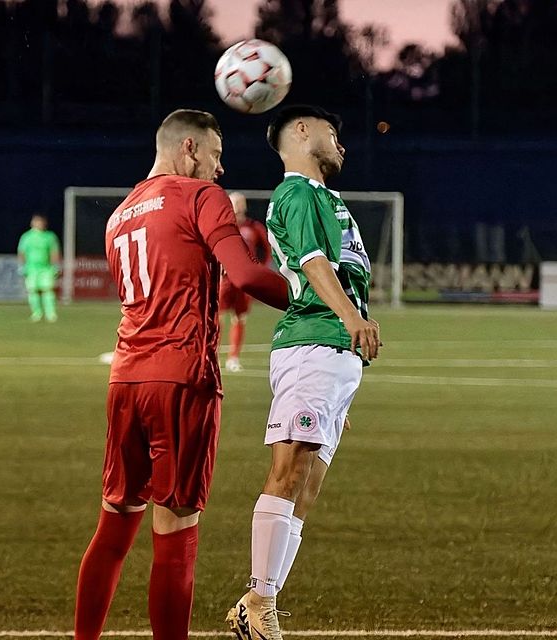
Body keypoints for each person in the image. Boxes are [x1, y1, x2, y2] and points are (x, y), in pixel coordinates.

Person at [74, 109, 290, 640]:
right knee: (175, 530)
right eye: (215, 156)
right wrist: (320, 300)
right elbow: (243, 274)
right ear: (190, 148)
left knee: (114, 523)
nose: (219, 171)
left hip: (126, 378)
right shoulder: (200, 196)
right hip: (182, 378)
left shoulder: (120, 213)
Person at [225, 105, 380, 640]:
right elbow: (312, 263)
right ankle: (258, 600)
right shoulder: (296, 194)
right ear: (301, 131)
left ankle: (265, 601)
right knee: (288, 471)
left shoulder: (327, 198)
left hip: (334, 356)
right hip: (313, 341)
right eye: (333, 134)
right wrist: (351, 318)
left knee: (307, 486)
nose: (342, 145)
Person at [220, 191, 272, 373]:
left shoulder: (253, 227)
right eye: (235, 203)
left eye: (241, 203)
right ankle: (211, 354)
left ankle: (233, 358)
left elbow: (267, 249)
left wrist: (259, 269)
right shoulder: (222, 225)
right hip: (225, 279)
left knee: (240, 317)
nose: (238, 206)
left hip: (245, 281)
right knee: (217, 318)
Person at [17, 213, 61, 322]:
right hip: (31, 268)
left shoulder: (49, 236)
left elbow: (54, 252)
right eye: (36, 222)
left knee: (48, 290)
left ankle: (51, 314)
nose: (38, 224)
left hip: (46, 268)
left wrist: (55, 266)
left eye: (40, 222)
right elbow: (21, 252)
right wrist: (22, 266)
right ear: (32, 223)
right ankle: (36, 313)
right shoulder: (26, 237)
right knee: (33, 291)